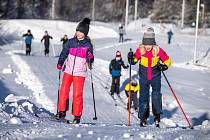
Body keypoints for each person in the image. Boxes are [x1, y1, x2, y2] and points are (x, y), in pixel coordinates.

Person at [128, 27, 171, 127]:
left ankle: (157, 117)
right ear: (143, 43)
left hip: (156, 77)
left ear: (153, 43)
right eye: (146, 44)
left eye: (150, 44)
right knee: (143, 97)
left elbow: (168, 61)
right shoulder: (140, 50)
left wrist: (164, 66)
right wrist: (130, 57)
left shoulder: (158, 50)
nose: (148, 46)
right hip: (143, 78)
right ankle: (143, 118)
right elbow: (133, 61)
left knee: (156, 96)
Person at [55, 18, 94, 124]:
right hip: (68, 70)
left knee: (77, 94)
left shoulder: (87, 45)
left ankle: (77, 116)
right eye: (77, 31)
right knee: (63, 91)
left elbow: (90, 59)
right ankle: (61, 111)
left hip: (80, 73)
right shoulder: (70, 42)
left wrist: (90, 57)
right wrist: (60, 62)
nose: (78, 33)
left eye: (81, 32)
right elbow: (64, 53)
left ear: (85, 33)